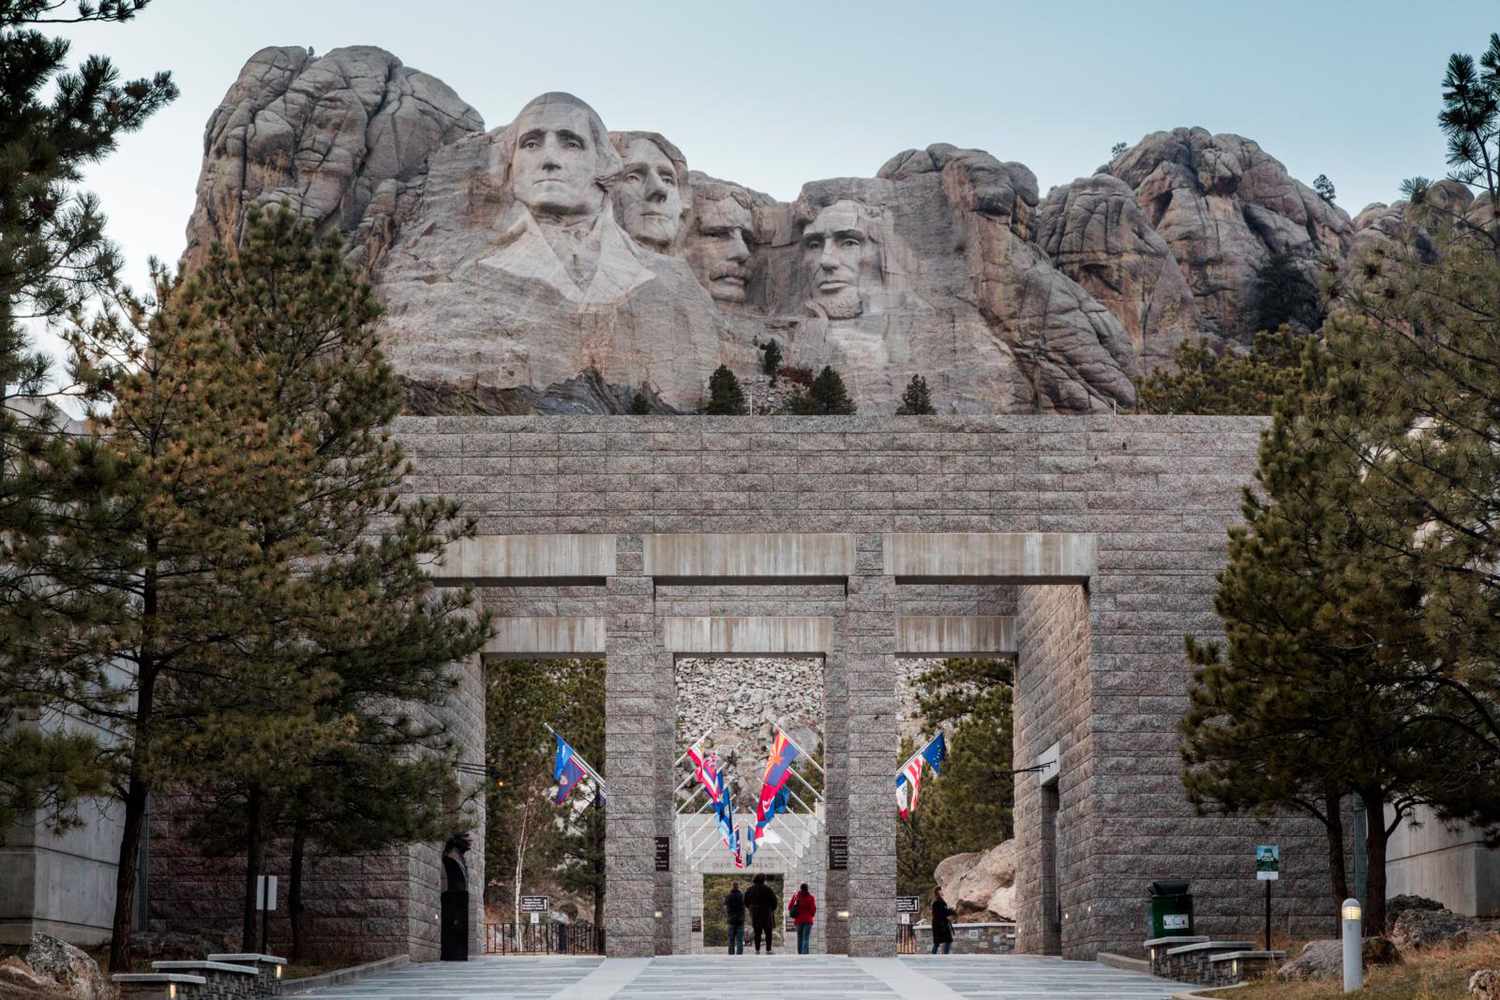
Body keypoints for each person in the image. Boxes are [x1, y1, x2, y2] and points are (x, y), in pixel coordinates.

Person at [743, 873, 778, 954]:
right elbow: (774, 901)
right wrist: (771, 909)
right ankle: (768, 949)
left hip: (755, 913)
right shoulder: (768, 889)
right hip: (766, 912)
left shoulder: (750, 889)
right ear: (763, 880)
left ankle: (757, 949)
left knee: (757, 932)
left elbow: (745, 901)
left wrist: (751, 908)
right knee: (768, 932)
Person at [788, 882, 816, 954]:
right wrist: (810, 915)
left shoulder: (796, 896)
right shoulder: (811, 897)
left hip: (798, 920)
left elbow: (790, 907)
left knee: (799, 937)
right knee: (805, 938)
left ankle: (800, 953)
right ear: (807, 889)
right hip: (808, 920)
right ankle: (805, 954)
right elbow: (813, 909)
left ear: (801, 888)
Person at [930, 886, 954, 955]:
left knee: (945, 941)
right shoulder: (936, 902)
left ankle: (942, 954)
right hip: (939, 925)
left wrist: (949, 911)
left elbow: (944, 912)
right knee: (939, 942)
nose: (942, 891)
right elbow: (940, 913)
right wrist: (949, 912)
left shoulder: (941, 901)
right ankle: (939, 955)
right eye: (941, 890)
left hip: (942, 924)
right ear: (938, 892)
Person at [725, 881, 746, 955]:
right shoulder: (742, 896)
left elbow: (726, 907)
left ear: (732, 886)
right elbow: (744, 908)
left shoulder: (728, 896)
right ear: (738, 887)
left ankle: (731, 955)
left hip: (731, 920)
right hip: (740, 921)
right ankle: (739, 955)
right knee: (739, 940)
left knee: (731, 940)